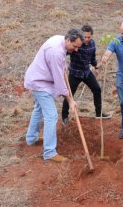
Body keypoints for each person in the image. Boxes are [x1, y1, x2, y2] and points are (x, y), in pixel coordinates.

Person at [24, 29, 84, 162]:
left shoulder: (59, 39)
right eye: (74, 47)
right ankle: (49, 152)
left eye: (78, 47)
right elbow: (59, 81)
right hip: (40, 83)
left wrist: (64, 67)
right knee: (51, 116)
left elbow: (60, 68)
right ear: (68, 40)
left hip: (38, 77)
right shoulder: (57, 52)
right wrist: (70, 100)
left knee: (39, 109)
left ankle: (31, 138)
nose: (76, 50)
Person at [62, 25, 111, 124]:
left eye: (89, 37)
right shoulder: (76, 44)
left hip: (86, 72)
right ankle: (64, 116)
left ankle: (98, 113)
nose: (87, 39)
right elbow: (64, 52)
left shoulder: (92, 44)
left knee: (97, 89)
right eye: (85, 37)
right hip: (75, 73)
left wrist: (96, 66)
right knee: (69, 94)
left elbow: (92, 58)